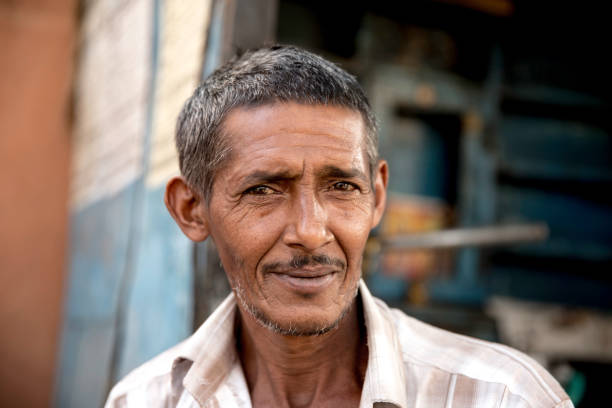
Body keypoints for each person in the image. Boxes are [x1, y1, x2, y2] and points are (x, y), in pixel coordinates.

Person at [105, 45, 573, 408]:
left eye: (342, 187)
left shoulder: (504, 397)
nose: (310, 232)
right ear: (191, 209)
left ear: (378, 197)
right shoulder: (145, 399)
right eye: (264, 190)